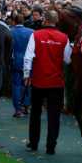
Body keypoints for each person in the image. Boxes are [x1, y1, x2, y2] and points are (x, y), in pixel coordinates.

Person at [23, 10, 72, 155]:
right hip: (56, 82)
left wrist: (26, 74)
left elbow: (28, 57)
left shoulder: (36, 35)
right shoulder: (64, 38)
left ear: (45, 20)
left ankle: (33, 143)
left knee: (35, 113)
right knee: (54, 116)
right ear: (56, 21)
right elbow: (68, 60)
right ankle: (51, 146)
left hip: (38, 80)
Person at [10, 12, 33, 118]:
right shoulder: (31, 32)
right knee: (27, 84)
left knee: (16, 85)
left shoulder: (11, 32)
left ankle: (18, 109)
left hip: (15, 62)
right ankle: (26, 106)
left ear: (14, 21)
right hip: (29, 62)